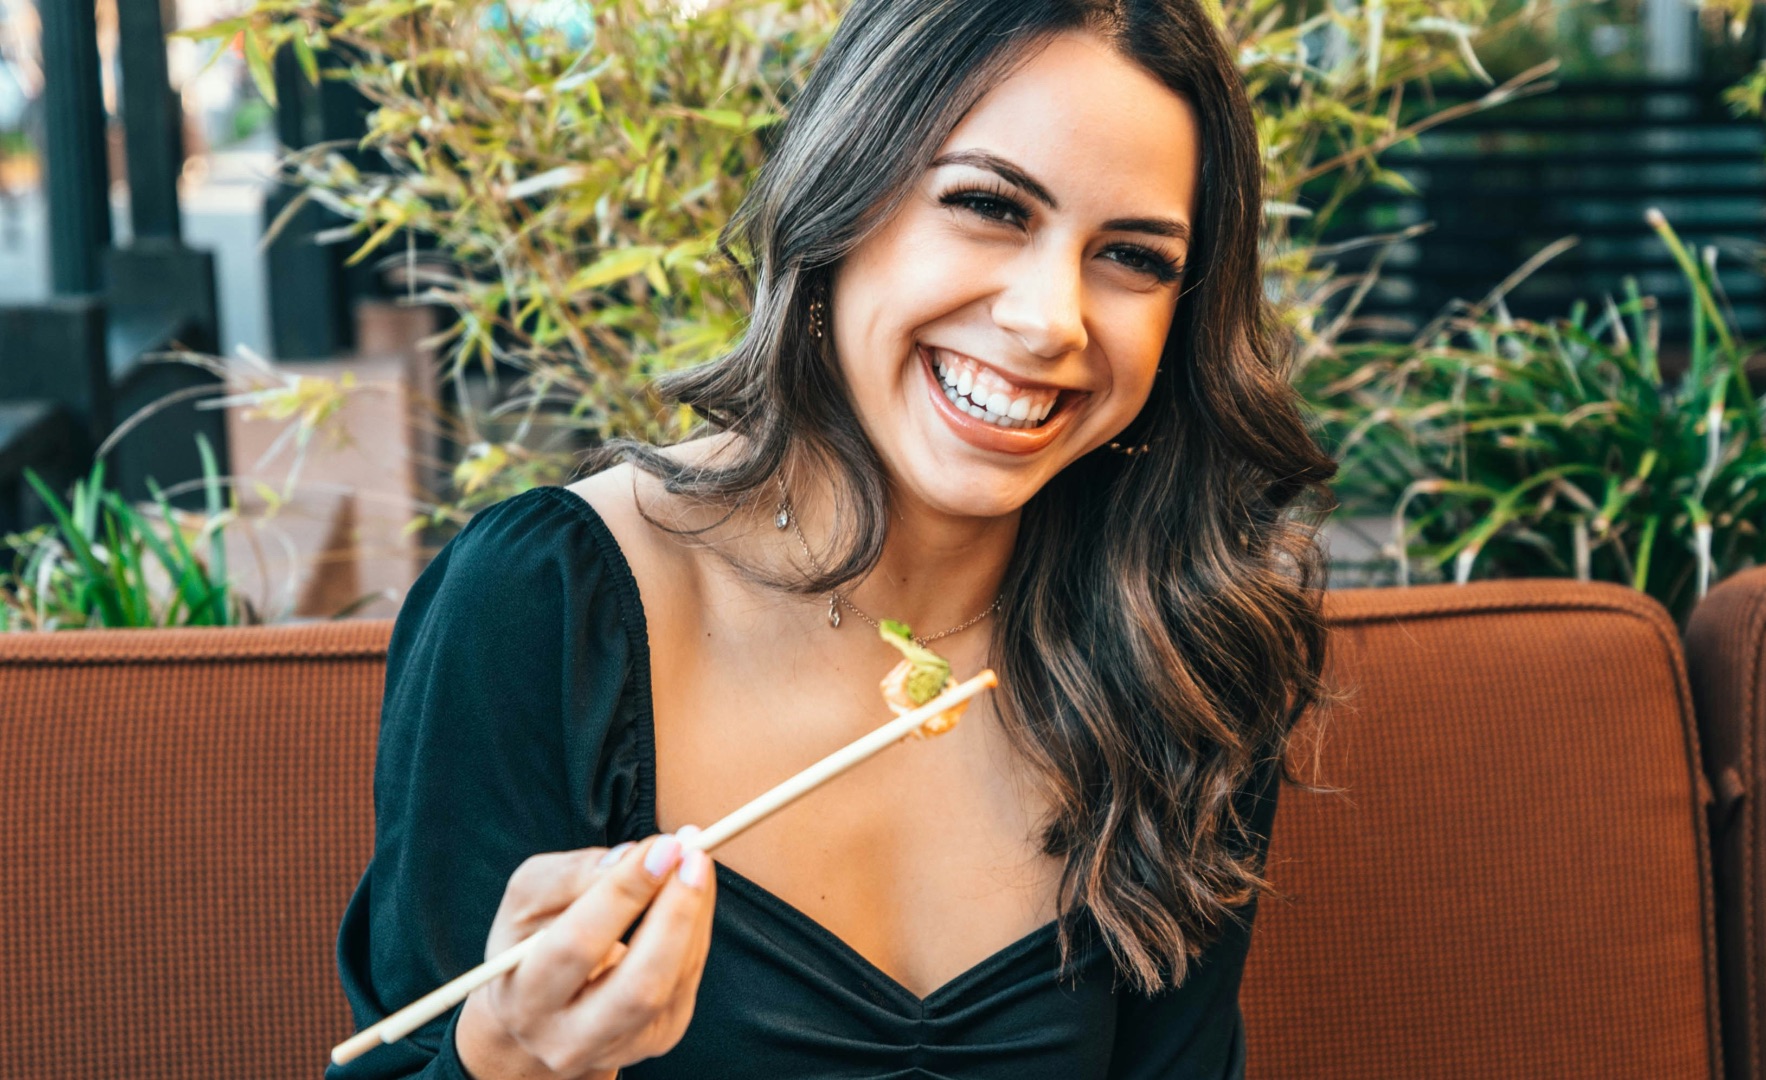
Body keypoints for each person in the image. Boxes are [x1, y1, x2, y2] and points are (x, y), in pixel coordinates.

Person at [331, 1, 1337, 1077]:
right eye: (989, 204)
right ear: (838, 208)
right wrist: (509, 1061)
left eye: (1132, 255)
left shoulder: (1184, 649)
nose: (1050, 319)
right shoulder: (543, 605)